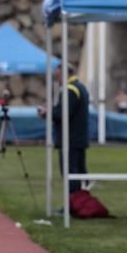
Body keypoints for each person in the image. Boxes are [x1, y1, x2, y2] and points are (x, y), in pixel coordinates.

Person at [38, 64, 90, 194]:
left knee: (70, 174)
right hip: (78, 138)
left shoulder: (70, 90)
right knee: (78, 172)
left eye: (58, 75)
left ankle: (72, 205)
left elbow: (62, 114)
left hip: (70, 139)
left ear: (65, 73)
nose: (57, 79)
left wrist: (46, 113)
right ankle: (78, 203)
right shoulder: (80, 87)